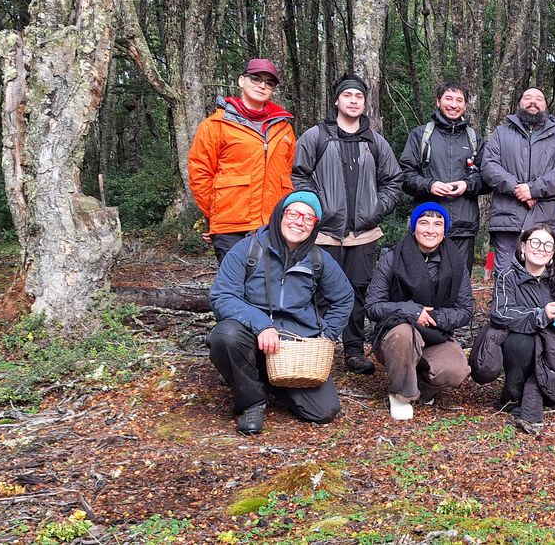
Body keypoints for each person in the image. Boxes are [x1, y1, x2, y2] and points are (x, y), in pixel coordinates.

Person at [206, 191, 354, 434]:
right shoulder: (247, 250)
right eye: (293, 213)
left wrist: (327, 335)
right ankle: (252, 401)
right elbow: (223, 296)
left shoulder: (319, 259)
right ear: (280, 215)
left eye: (308, 218)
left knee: (324, 411)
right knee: (226, 336)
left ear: (315, 226)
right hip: (252, 337)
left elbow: (344, 297)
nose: (299, 222)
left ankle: (265, 379)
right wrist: (262, 324)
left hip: (295, 348)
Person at [291, 74, 403, 375]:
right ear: (337, 100)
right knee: (318, 291)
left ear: (365, 103)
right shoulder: (316, 136)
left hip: (364, 235)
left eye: (359, 96)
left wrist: (375, 210)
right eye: (348, 95)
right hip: (325, 234)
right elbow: (298, 175)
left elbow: (394, 180)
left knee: (357, 292)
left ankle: (353, 351)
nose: (354, 101)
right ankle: (316, 347)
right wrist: (318, 209)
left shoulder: (375, 141)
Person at [480, 224, 555, 433]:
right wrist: (540, 315)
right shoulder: (508, 277)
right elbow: (500, 314)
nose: (541, 248)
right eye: (535, 242)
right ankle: (515, 395)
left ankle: (553, 395)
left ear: (554, 252)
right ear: (523, 247)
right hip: (525, 347)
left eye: (548, 245)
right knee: (520, 343)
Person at [365, 203, 474, 421]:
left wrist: (436, 317)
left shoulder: (456, 263)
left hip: (436, 335)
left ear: (445, 231)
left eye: (438, 224)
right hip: (397, 335)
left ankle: (421, 387)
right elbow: (372, 305)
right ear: (414, 228)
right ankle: (401, 394)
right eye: (423, 223)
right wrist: (412, 311)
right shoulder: (392, 258)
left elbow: (466, 309)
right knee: (403, 332)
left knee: (457, 370)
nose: (430, 230)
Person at [188, 58, 296, 263]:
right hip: (231, 227)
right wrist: (216, 213)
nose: (262, 85)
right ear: (241, 81)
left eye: (269, 82)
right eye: (256, 79)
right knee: (234, 290)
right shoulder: (215, 125)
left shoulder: (284, 128)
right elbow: (200, 174)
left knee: (269, 290)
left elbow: (288, 173)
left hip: (272, 226)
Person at [481, 87, 555, 272]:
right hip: (508, 218)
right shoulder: (501, 133)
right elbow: (489, 166)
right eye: (528, 97)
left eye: (539, 98)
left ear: (546, 106)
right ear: (519, 103)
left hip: (544, 219)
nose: (533, 101)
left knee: (544, 275)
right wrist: (518, 188)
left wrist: (534, 189)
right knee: (505, 274)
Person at [399, 82, 484, 272]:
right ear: (438, 102)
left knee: (460, 281)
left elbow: (486, 178)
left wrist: (466, 185)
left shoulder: (474, 139)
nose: (453, 104)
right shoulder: (421, 135)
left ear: (465, 105)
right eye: (448, 98)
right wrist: (429, 185)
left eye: (459, 100)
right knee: (423, 280)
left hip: (464, 225)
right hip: (428, 224)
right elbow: (405, 175)